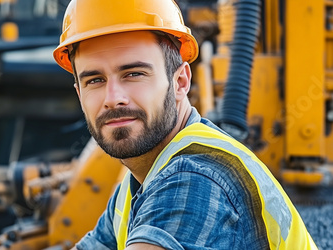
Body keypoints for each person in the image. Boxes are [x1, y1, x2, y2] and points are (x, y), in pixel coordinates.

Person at [53, 0, 317, 249]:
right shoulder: (136, 182)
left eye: (133, 74)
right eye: (95, 80)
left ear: (180, 82)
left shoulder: (196, 178)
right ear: (79, 93)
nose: (113, 99)